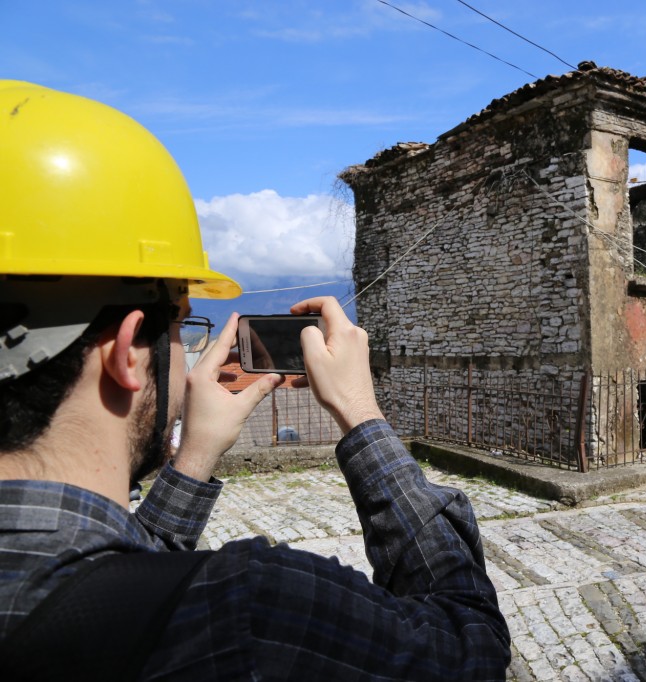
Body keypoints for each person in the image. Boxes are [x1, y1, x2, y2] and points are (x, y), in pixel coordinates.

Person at [0, 80, 510, 679]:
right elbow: (469, 646)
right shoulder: (248, 613)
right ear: (126, 353)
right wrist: (360, 413)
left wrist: (193, 458)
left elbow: (119, 580)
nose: (184, 352)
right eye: (182, 328)